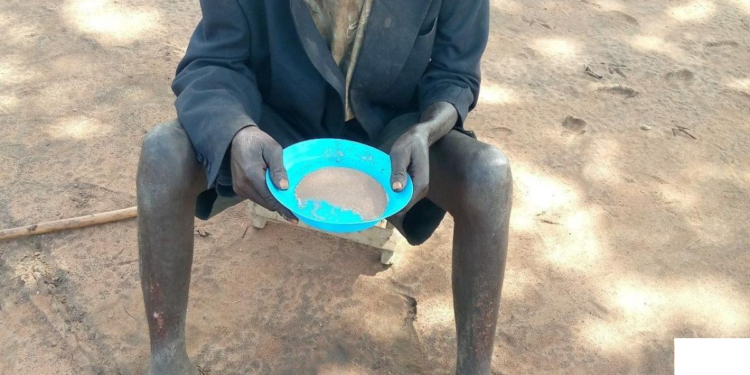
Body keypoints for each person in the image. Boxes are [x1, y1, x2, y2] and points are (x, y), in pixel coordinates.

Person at [136, 0, 512, 374]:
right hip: (280, 122)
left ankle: (474, 369)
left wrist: (427, 129)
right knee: (162, 154)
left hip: (393, 132)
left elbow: (455, 74)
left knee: (489, 176)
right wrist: (237, 131)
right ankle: (167, 361)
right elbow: (215, 62)